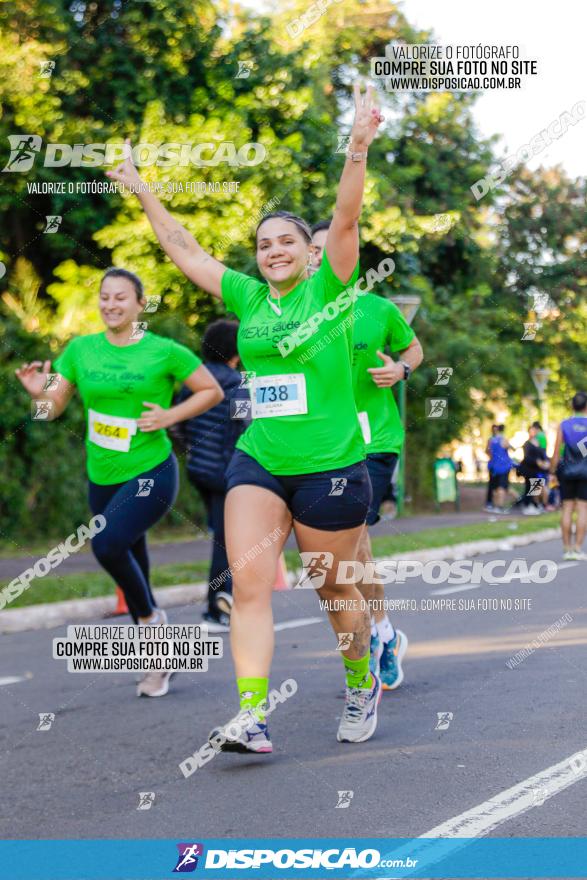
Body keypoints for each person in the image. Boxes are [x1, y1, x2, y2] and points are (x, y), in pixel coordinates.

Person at [107, 83, 385, 751]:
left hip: (331, 468)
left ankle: (360, 680)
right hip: (259, 459)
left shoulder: (333, 288)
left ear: (309, 252)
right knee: (248, 587)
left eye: (285, 240)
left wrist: (356, 145)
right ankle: (252, 715)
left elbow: (345, 218)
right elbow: (186, 250)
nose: (272, 250)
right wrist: (143, 191)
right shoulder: (248, 297)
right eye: (263, 243)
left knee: (333, 597)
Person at [15, 267, 223, 697]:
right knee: (133, 558)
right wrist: (38, 394)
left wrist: (169, 416)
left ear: (139, 304)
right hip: (102, 475)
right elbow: (50, 412)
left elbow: (211, 391)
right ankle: (157, 660)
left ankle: (151, 622)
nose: (110, 304)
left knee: (107, 544)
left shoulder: (163, 351)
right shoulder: (80, 351)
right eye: (105, 297)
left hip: (151, 469)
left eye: (120, 298)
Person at [310, 218, 424, 689]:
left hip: (373, 441)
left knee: (353, 541)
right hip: (321, 445)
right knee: (349, 550)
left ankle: (376, 637)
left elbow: (413, 349)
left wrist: (399, 369)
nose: (318, 258)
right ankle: (384, 632)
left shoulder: (377, 310)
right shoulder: (296, 314)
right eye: (311, 251)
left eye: (326, 249)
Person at [176, 319, 251, 631]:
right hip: (226, 472)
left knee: (223, 537)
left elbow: (176, 423)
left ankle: (224, 605)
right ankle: (217, 609)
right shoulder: (236, 384)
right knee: (227, 543)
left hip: (199, 471)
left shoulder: (192, 382)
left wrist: (192, 449)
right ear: (236, 350)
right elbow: (245, 428)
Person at [550, 392, 587, 560]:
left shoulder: (564, 425)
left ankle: (566, 549)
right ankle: (578, 549)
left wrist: (551, 472)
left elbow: (556, 452)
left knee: (567, 509)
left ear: (572, 406)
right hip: (585, 473)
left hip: (567, 473)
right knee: (582, 509)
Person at [518, 423, 550, 515]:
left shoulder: (538, 442)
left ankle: (535, 505)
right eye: (532, 430)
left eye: (535, 430)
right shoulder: (527, 443)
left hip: (537, 470)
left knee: (536, 489)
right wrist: (537, 461)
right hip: (529, 469)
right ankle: (527, 505)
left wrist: (545, 462)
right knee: (529, 488)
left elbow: (542, 454)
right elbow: (527, 457)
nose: (534, 432)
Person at [485, 425, 514, 513]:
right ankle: (499, 507)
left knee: (495, 488)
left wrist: (493, 458)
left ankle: (495, 506)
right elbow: (512, 448)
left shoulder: (491, 440)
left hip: (493, 466)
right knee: (501, 488)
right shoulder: (503, 439)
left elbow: (487, 451)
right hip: (503, 467)